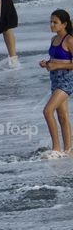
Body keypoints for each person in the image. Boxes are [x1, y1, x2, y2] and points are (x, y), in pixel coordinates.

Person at [39, 10, 73, 157]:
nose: (51, 25)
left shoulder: (70, 40)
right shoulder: (53, 39)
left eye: (55, 22)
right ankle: (68, 150)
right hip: (55, 80)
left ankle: (56, 149)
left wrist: (57, 66)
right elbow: (55, 59)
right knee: (63, 116)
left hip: (67, 81)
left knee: (47, 111)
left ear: (64, 24)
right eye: (51, 22)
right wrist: (46, 63)